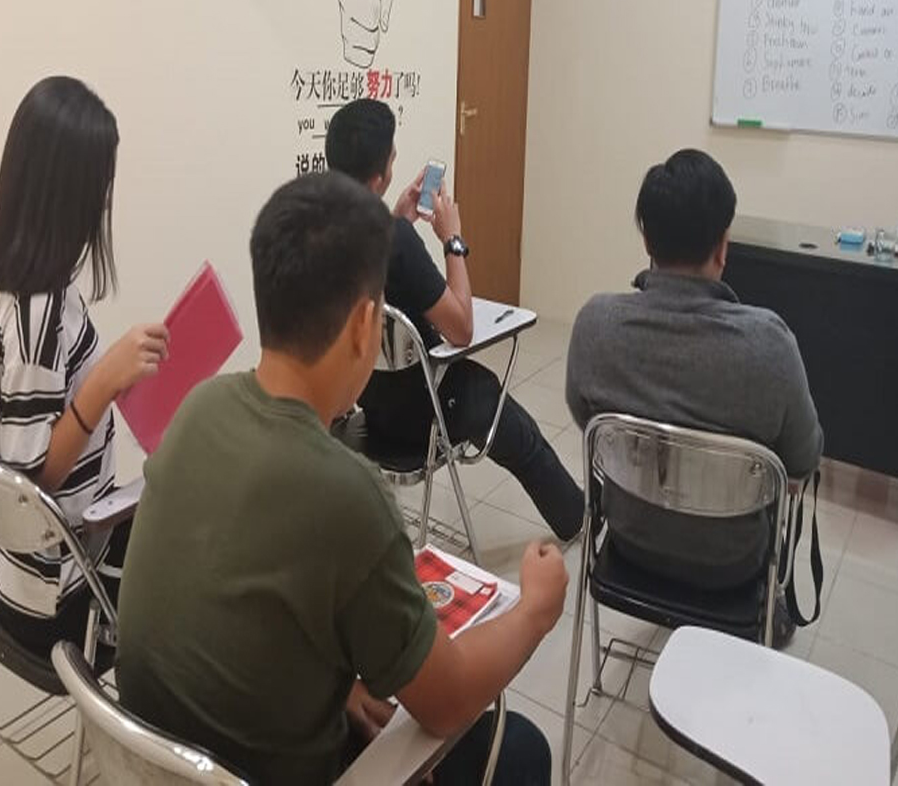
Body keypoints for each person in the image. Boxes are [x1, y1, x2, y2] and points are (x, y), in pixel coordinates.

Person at [117, 172, 568, 785]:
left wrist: (340, 686)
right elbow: (448, 700)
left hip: (153, 765)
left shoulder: (200, 408)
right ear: (364, 326)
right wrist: (535, 610)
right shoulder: (348, 493)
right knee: (520, 749)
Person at [565, 148, 823, 643]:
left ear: (647, 240)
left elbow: (587, 422)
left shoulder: (595, 325)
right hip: (732, 568)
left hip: (630, 546)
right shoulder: (770, 346)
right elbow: (803, 460)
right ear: (723, 247)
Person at [324, 99, 584, 542]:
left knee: (494, 406)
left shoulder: (319, 230)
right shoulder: (396, 242)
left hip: (365, 403)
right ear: (381, 176)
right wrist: (453, 240)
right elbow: (461, 328)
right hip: (425, 414)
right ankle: (578, 518)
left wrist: (398, 218)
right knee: (510, 423)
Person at [0, 76, 169, 654]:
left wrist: (118, 372)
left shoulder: (29, 284)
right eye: (100, 183)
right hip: (57, 596)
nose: (105, 198)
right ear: (66, 191)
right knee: (205, 542)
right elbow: (32, 482)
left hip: (39, 566)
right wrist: (106, 380)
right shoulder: (38, 310)